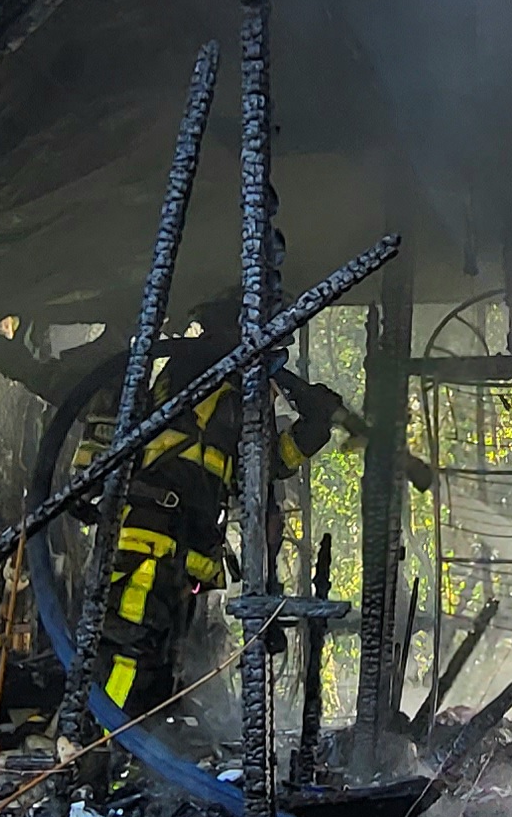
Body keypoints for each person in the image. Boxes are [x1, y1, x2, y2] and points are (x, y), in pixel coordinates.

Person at [96, 301, 361, 722]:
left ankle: (139, 754)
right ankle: (100, 747)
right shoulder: (197, 375)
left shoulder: (237, 392)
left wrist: (315, 424)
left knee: (164, 656)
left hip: (186, 545)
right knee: (129, 646)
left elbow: (262, 465)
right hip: (152, 535)